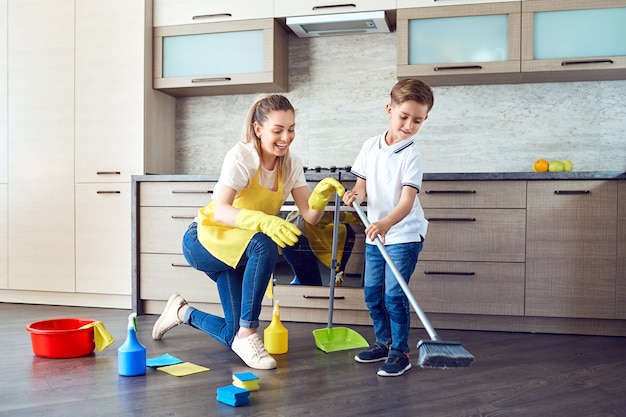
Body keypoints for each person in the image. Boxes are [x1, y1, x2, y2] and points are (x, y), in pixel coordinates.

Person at [151, 94, 344, 370]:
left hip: (239, 249)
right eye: (278, 130)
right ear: (258, 129)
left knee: (232, 334)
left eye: (291, 129)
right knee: (264, 244)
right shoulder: (242, 156)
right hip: (204, 240)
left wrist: (321, 195)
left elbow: (310, 217)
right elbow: (220, 211)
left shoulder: (291, 164)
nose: (286, 137)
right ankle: (250, 331)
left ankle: (182, 312)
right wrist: (265, 222)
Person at [342, 78, 433, 377]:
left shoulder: (412, 154)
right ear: (389, 109)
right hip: (376, 232)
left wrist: (385, 223)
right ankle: (383, 342)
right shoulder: (371, 146)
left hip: (403, 234)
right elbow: (362, 188)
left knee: (394, 294)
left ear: (425, 119)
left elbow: (407, 202)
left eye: (417, 121)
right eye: (403, 116)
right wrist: (355, 195)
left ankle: (400, 351)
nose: (409, 125)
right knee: (372, 291)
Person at [281, 211, 358, 286]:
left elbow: (339, 215)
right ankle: (301, 279)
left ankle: (336, 276)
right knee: (313, 288)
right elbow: (337, 214)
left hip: (301, 234)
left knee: (346, 231)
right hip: (295, 238)